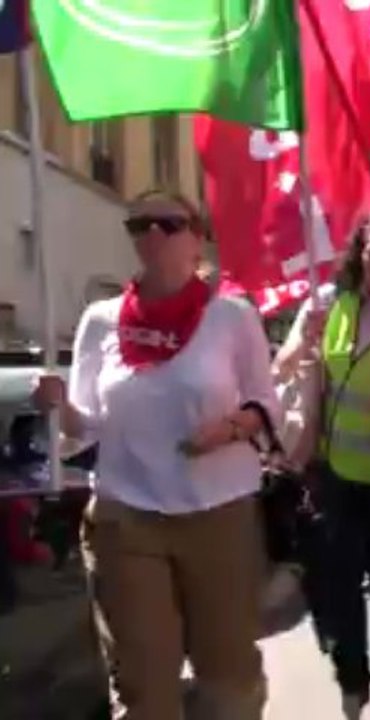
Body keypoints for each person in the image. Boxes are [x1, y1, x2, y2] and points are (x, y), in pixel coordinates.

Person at [31, 189, 279, 719]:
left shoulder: (231, 316)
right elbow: (84, 427)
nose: (153, 234)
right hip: (126, 516)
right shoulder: (101, 319)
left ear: (197, 238)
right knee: (143, 685)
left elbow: (266, 403)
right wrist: (57, 405)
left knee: (229, 677)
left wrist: (229, 429)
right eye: (140, 224)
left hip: (218, 514)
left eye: (169, 222)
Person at [274, 212, 370, 720]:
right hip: (334, 478)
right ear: (359, 253)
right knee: (338, 595)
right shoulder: (330, 303)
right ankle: (352, 691)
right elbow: (282, 369)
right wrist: (303, 343)